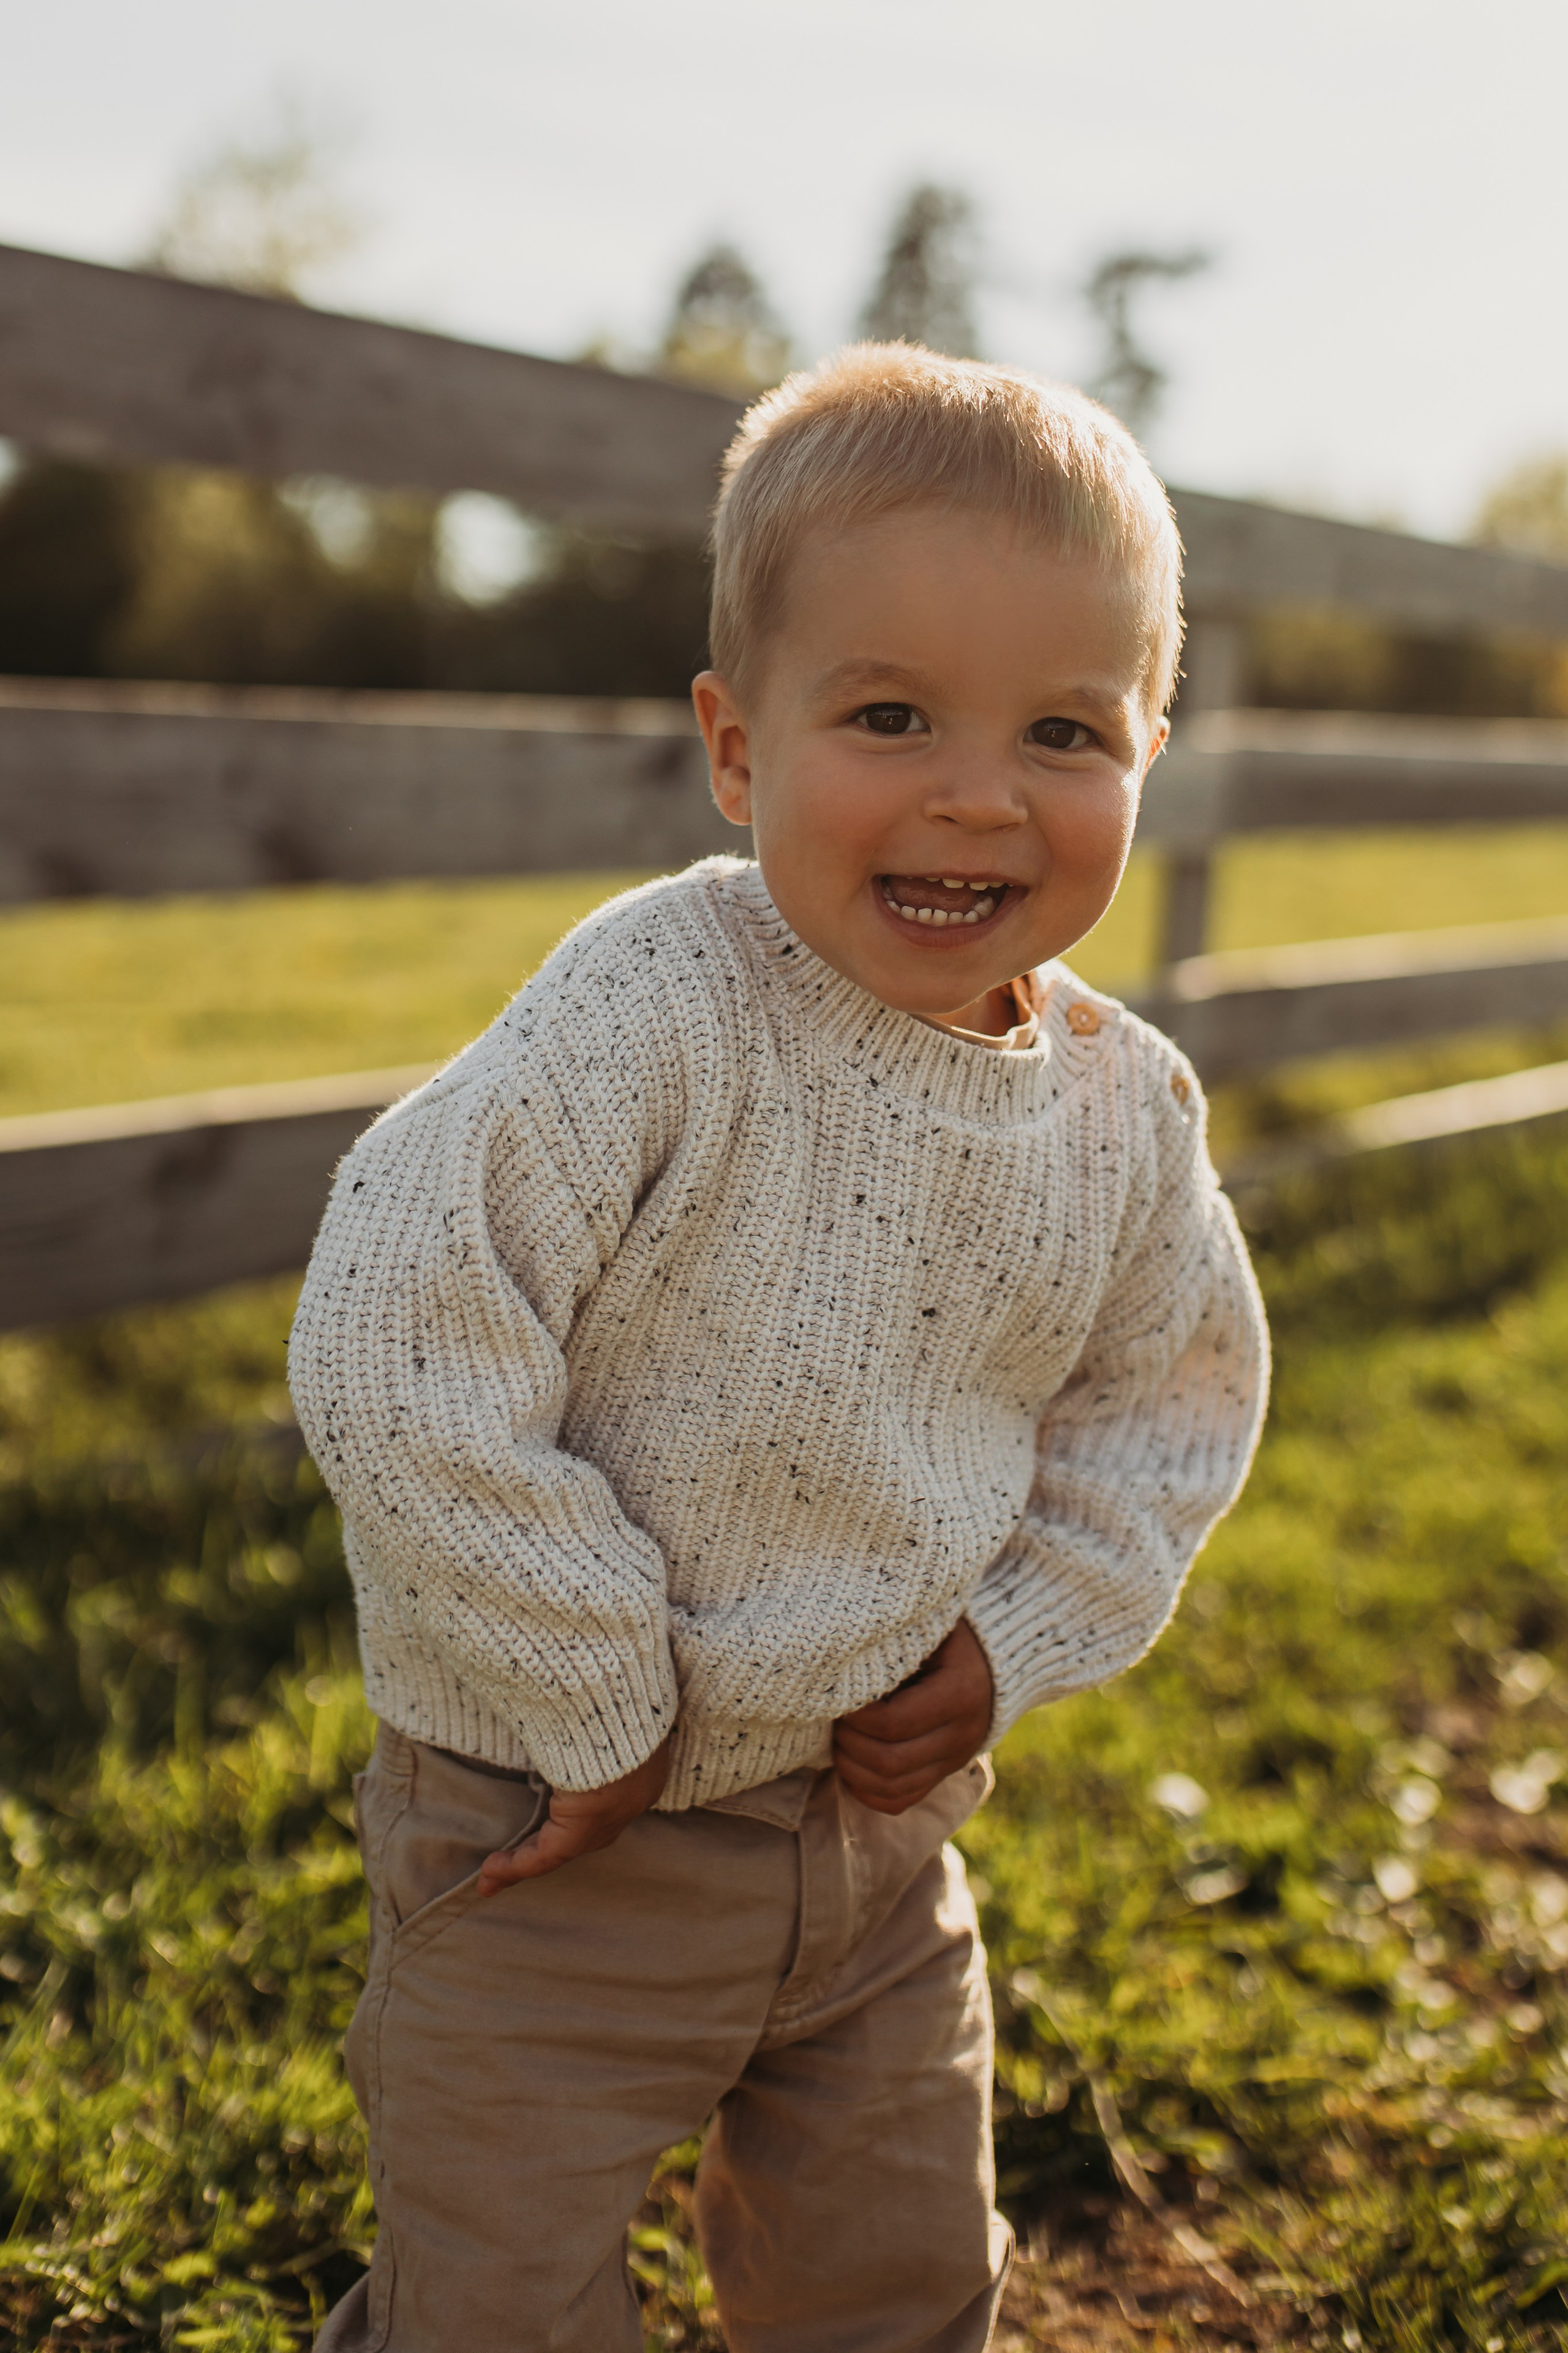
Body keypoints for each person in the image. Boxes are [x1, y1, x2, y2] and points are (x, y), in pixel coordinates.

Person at [289, 343, 1270, 2353]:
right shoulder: (663, 1002)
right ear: (739, 750)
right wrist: (594, 1675)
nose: (979, 792)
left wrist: (1012, 1632)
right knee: (499, 2301)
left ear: (1150, 749)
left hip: (876, 1848)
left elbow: (1163, 1405)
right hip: (550, 1833)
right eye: (890, 712)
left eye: (1065, 730)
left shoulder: (1120, 1112)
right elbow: (400, 1330)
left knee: (899, 2285)